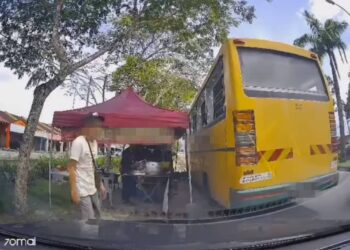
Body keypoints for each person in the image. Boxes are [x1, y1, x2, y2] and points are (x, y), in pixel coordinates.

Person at [67, 115, 107, 220]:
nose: (100, 130)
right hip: (82, 188)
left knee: (98, 215)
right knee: (89, 219)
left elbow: (93, 166)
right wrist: (74, 190)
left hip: (92, 187)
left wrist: (101, 185)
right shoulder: (78, 142)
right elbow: (71, 167)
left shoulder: (95, 143)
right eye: (97, 127)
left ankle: (93, 234)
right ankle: (88, 235)